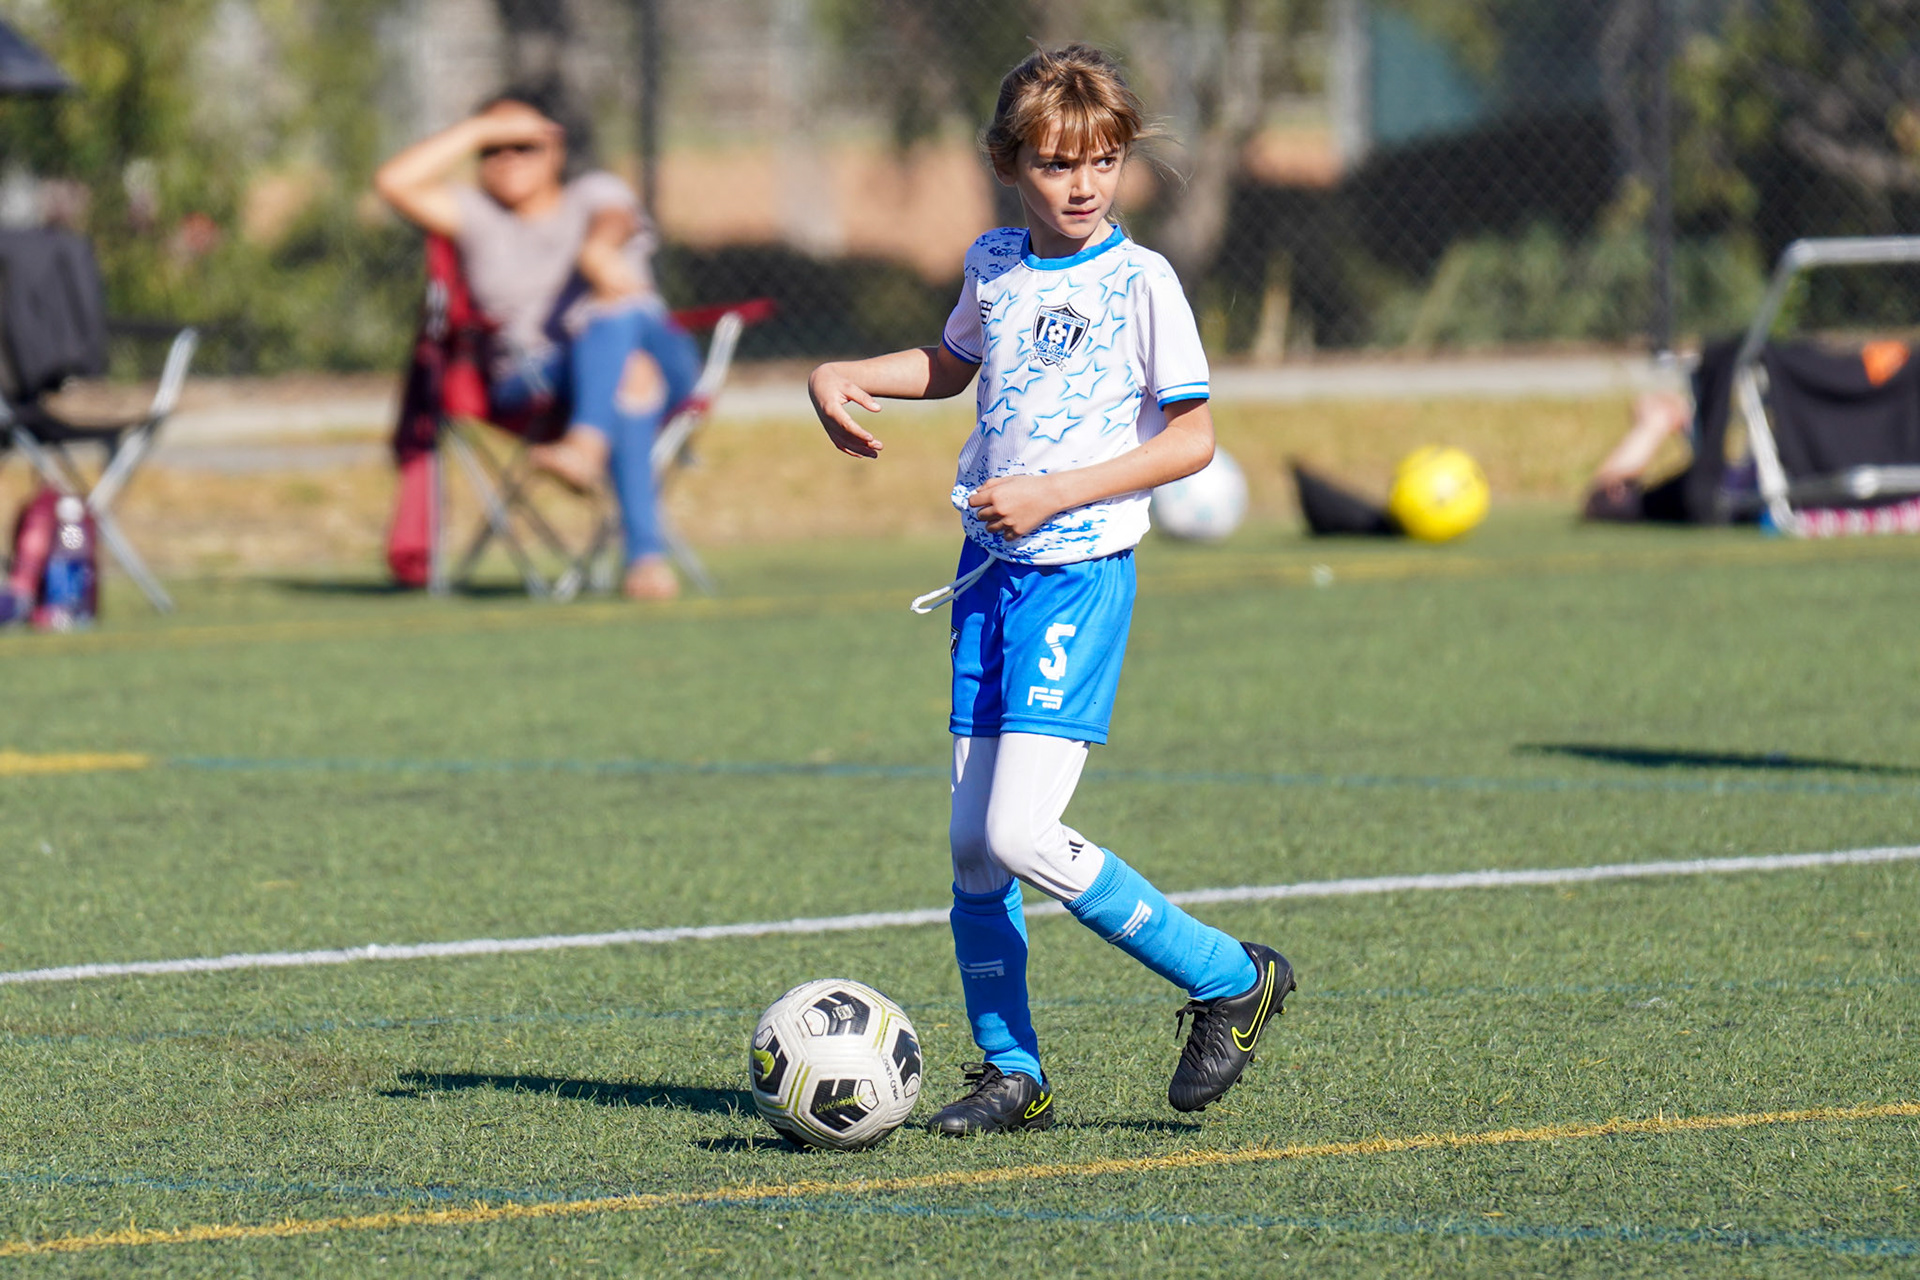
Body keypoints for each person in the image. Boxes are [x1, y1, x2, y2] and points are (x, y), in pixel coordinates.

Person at [807, 45, 1295, 1135]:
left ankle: (1232, 977)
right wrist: (840, 373)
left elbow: (1193, 439)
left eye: (1103, 161)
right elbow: (954, 364)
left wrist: (1055, 492)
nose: (1083, 184)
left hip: (1076, 579)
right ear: (1007, 164)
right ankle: (1012, 1071)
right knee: (974, 848)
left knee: (1023, 833)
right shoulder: (994, 261)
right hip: (988, 578)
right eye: (1057, 163)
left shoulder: (1143, 281)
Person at [374, 87, 700, 600]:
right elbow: (393, 182)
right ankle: (644, 558)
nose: (508, 158)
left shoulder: (593, 194)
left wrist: (597, 251)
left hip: (660, 354)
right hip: (536, 378)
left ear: (556, 148)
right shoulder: (476, 217)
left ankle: (585, 445)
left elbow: (615, 219)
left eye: (524, 145)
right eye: (493, 149)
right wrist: (480, 127)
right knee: (632, 374)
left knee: (618, 312)